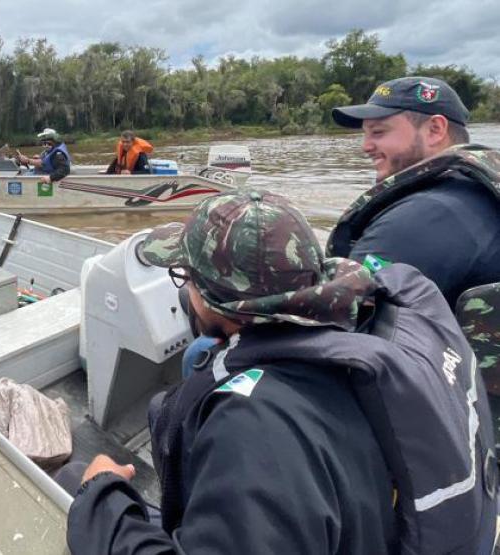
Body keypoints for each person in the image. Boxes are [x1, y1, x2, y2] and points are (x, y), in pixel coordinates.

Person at [65, 190, 401, 553]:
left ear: (220, 302)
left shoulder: (249, 425)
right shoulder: (347, 339)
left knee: (74, 482)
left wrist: (102, 496)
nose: (185, 292)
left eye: (186, 278)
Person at [328, 76, 500, 308]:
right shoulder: (474, 192)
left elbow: (335, 316)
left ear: (435, 130)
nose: (365, 146)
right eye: (365, 134)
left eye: (378, 132)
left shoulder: (424, 216)